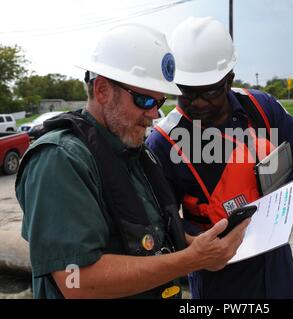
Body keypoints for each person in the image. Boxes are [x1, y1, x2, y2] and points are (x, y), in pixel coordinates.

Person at [15, 23, 249, 299]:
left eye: (159, 102)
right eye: (143, 100)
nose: (154, 114)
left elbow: (147, 236)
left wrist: (196, 244)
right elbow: (76, 281)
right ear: (102, 90)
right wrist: (191, 260)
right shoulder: (59, 160)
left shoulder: (132, 150)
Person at [147, 17, 293, 299]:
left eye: (210, 91)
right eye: (187, 92)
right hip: (218, 275)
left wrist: (285, 214)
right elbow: (159, 219)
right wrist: (198, 242)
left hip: (276, 263)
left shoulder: (261, 109)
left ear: (229, 80)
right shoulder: (163, 143)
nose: (198, 102)